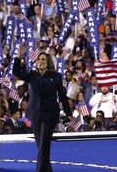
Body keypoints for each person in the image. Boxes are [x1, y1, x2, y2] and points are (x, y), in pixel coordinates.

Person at [13, 44, 73, 172]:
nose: (40, 61)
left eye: (43, 60)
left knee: (44, 146)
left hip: (50, 115)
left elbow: (62, 95)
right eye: (38, 59)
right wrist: (19, 57)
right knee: (41, 147)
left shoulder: (56, 76)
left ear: (48, 63)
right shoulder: (32, 75)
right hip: (35, 115)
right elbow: (16, 72)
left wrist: (69, 113)